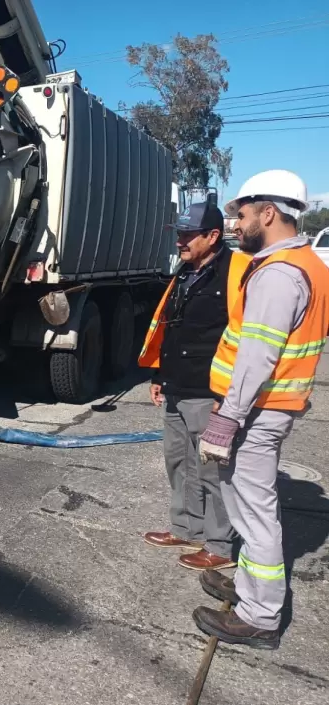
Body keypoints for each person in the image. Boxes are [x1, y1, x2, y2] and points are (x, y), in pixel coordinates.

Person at [193, 170, 329, 650]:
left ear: (268, 213)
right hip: (269, 406)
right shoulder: (306, 264)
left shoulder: (279, 274)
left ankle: (259, 617)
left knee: (254, 513)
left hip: (257, 410)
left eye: (243, 214)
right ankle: (250, 590)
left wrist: (227, 418)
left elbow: (257, 356)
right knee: (250, 505)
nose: (237, 224)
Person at [139, 201, 251, 571]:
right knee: (179, 461)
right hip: (176, 385)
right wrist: (158, 376)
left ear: (213, 236)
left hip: (211, 393)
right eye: (179, 234)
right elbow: (170, 328)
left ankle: (219, 546)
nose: (180, 241)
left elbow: (246, 338)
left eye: (188, 234)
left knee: (213, 469)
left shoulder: (238, 272)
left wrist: (228, 395)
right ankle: (186, 526)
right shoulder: (185, 272)